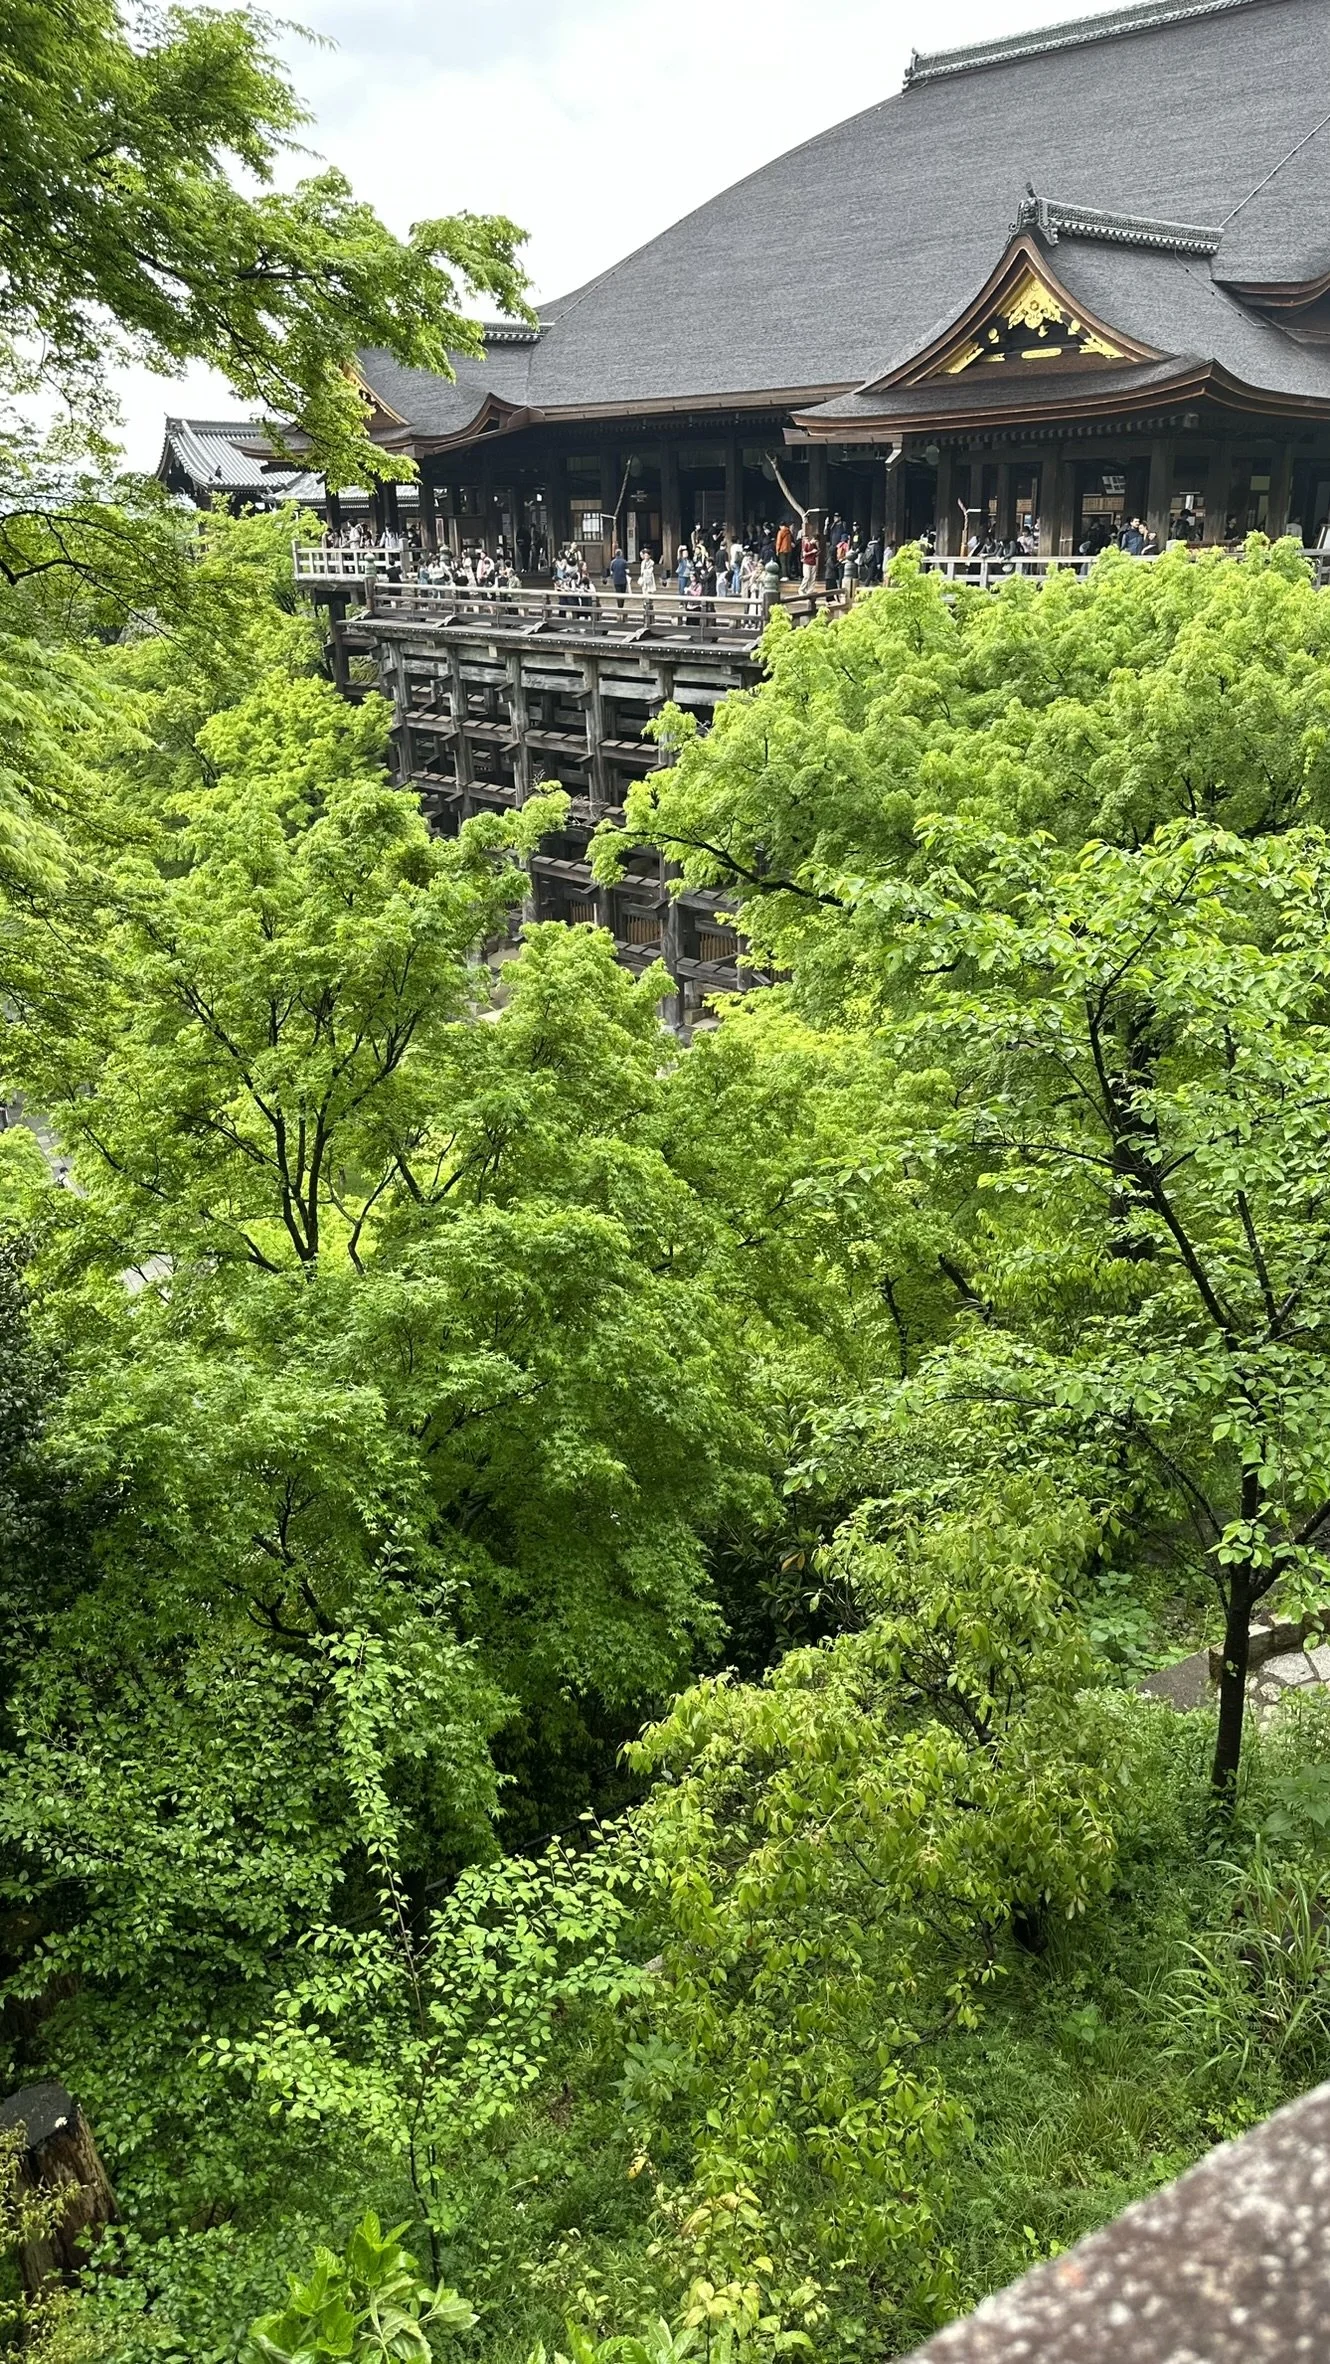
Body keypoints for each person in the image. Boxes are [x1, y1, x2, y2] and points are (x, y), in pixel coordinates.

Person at [799, 520, 820, 594]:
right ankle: (801, 589)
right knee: (807, 576)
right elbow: (804, 554)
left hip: (813, 562)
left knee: (812, 578)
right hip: (807, 562)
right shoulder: (807, 544)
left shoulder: (815, 545)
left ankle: (810, 591)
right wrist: (812, 552)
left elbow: (817, 553)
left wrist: (816, 552)